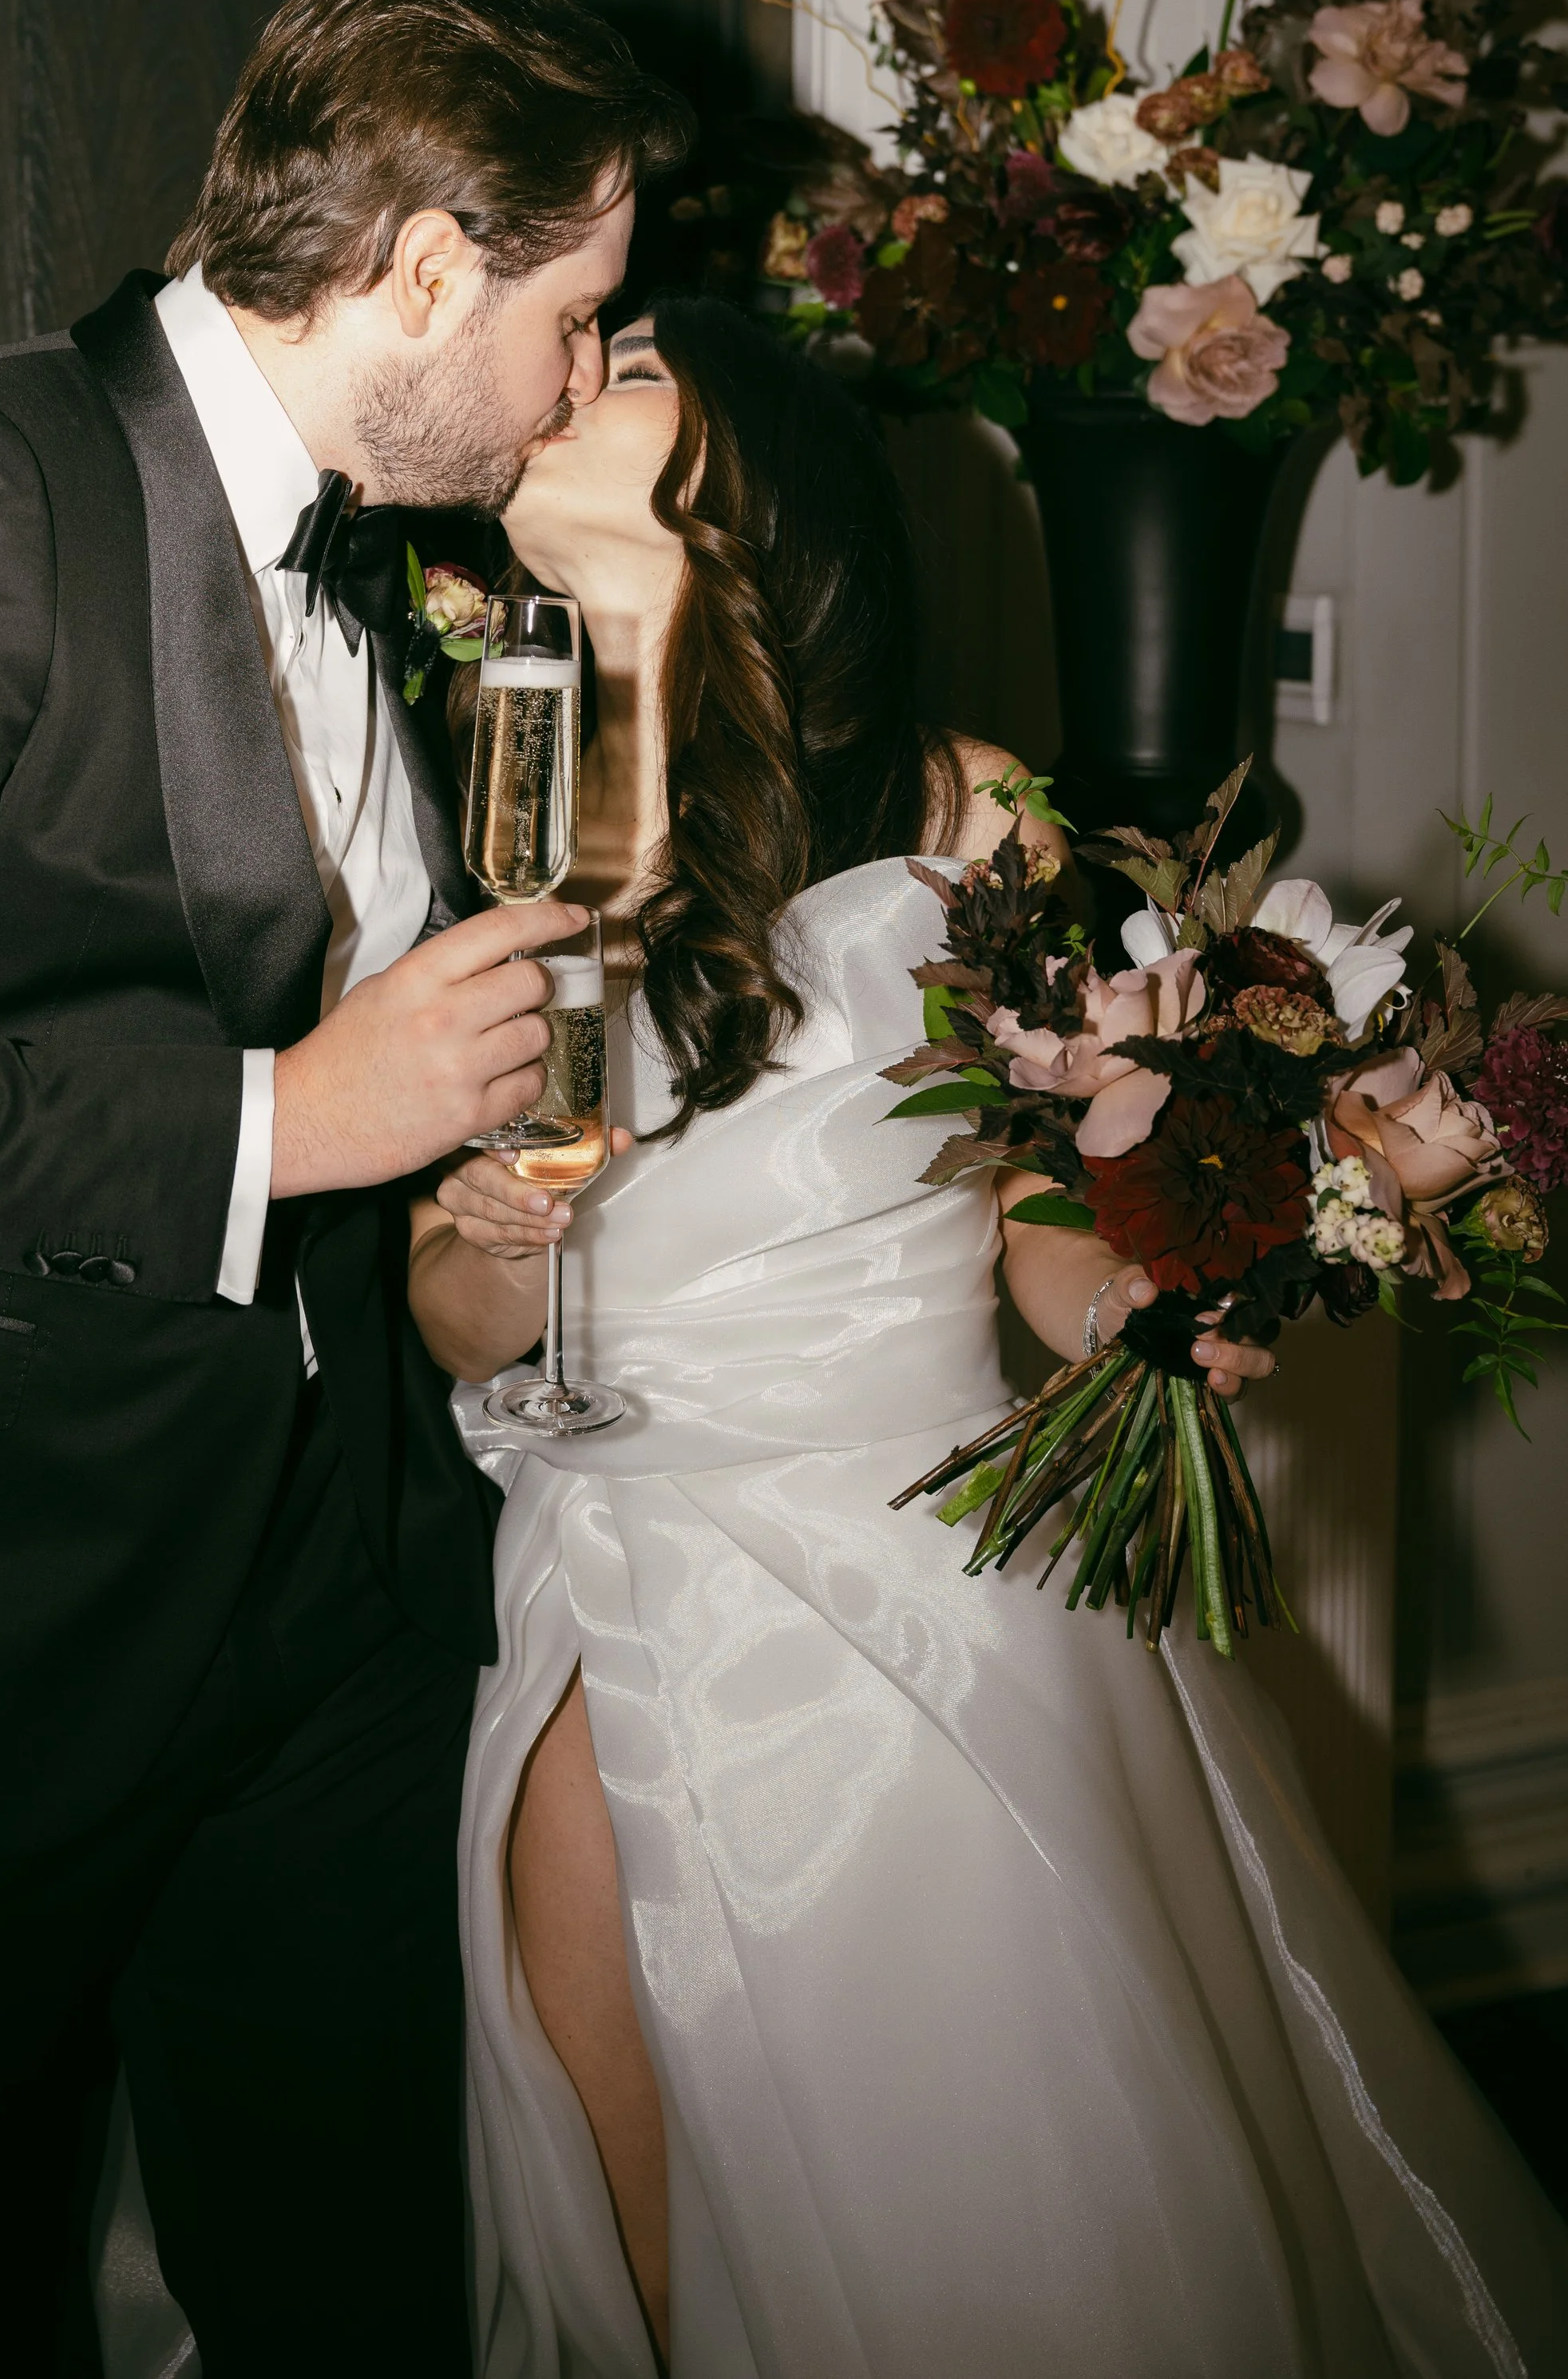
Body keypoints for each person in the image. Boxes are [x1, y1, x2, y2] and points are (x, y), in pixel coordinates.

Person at [0, 0, 691, 2373]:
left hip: (312, 1605)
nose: (583, 379)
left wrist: (435, 1189)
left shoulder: (393, 531)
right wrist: (297, 1124)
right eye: (569, 309)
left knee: (358, 2270)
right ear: (417, 270)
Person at [412, 295, 1568, 2379]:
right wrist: (491, 1233)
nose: (564, 375)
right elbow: (455, 1302)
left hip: (927, 1580)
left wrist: (1146, 1282)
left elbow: (1043, 1195)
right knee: (634, 2227)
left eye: (630, 358)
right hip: (597, 1567)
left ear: (755, 488)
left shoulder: (959, 809)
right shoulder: (495, 813)